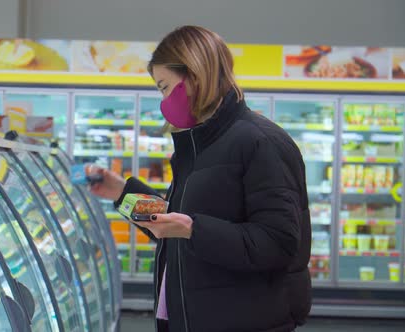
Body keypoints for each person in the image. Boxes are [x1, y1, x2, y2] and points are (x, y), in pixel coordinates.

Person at [90, 26, 311, 332]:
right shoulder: (199, 145)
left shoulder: (261, 141)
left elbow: (278, 243)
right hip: (192, 317)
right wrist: (121, 193)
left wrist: (194, 229)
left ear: (195, 74)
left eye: (165, 86)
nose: (164, 100)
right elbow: (174, 225)